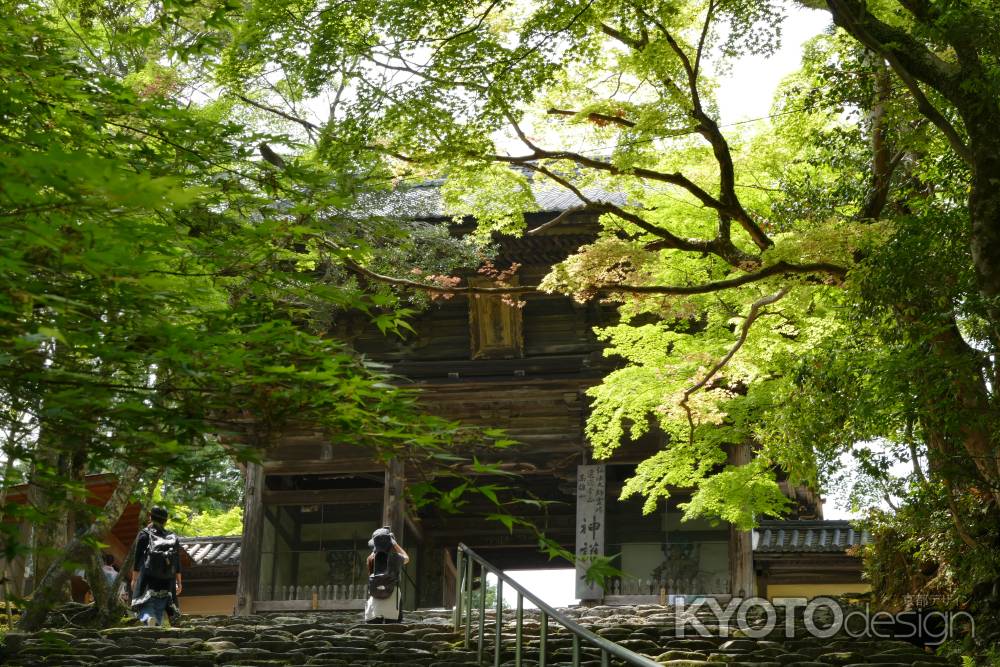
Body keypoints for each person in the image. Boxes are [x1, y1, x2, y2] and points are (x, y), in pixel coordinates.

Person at [130, 506, 182, 626]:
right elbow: (177, 561)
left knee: (145, 603)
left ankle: (149, 618)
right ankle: (170, 621)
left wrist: (134, 578)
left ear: (150, 517)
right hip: (168, 577)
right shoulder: (172, 536)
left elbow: (137, 558)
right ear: (166, 520)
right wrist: (179, 582)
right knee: (165, 603)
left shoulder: (144, 534)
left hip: (148, 575)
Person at [364, 526, 409, 624]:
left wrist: (375, 547)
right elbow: (406, 558)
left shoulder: (370, 559)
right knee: (393, 626)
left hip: (375, 599)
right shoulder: (396, 557)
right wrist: (395, 544)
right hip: (392, 599)